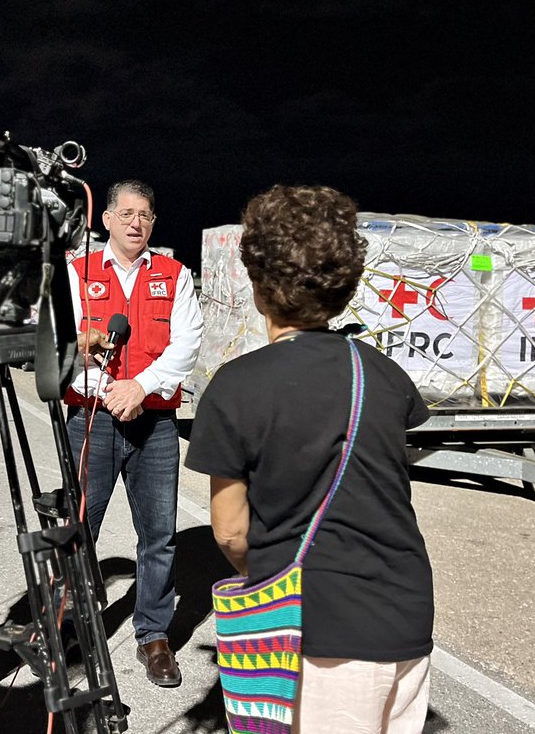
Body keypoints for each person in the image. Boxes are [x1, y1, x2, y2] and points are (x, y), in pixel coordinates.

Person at [185, 184, 434, 734]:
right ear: (344, 285)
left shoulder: (238, 386)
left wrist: (270, 571)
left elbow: (229, 532)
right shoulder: (384, 375)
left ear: (258, 283)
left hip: (318, 630)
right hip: (406, 610)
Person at [64, 180, 203, 687]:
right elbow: (61, 346)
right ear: (106, 219)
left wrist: (140, 388)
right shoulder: (75, 273)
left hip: (155, 424)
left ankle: (155, 637)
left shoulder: (175, 275)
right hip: (92, 420)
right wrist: (109, 391)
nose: (135, 222)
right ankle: (67, 627)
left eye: (144, 214)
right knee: (78, 534)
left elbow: (186, 345)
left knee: (159, 536)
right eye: (125, 213)